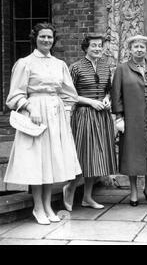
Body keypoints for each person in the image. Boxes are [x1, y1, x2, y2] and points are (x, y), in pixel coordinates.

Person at [5, 22, 82, 225]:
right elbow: (14, 95)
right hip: (35, 114)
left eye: (49, 37)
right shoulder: (25, 63)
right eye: (42, 37)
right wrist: (30, 108)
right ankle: (38, 207)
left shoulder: (59, 64)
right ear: (35, 39)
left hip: (55, 116)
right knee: (36, 161)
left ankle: (48, 205)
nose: (46, 40)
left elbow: (69, 94)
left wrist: (65, 113)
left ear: (54, 40)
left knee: (51, 161)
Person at [111, 35, 147, 207]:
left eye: (142, 47)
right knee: (132, 154)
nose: (139, 49)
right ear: (130, 49)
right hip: (131, 118)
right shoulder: (122, 69)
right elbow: (116, 94)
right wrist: (119, 116)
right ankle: (134, 190)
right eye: (135, 46)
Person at [62, 34, 117, 211]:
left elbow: (108, 89)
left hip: (102, 116)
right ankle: (70, 188)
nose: (97, 49)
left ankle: (87, 197)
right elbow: (68, 94)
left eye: (100, 46)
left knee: (98, 158)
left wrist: (107, 99)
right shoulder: (76, 67)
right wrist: (90, 101)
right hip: (84, 115)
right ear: (86, 48)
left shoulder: (105, 66)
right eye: (93, 46)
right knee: (83, 154)